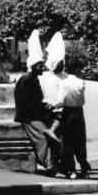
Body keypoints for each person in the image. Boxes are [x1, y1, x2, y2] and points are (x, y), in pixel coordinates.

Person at [14, 29, 60, 176]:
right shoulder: (27, 80)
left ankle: (52, 162)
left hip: (34, 114)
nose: (42, 67)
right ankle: (48, 164)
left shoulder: (33, 79)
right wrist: (41, 108)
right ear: (33, 66)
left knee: (52, 133)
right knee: (44, 137)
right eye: (39, 65)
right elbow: (26, 103)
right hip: (29, 117)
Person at [47, 37, 92, 180]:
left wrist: (53, 106)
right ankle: (84, 167)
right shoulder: (80, 82)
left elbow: (61, 101)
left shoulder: (64, 83)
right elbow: (82, 100)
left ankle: (71, 170)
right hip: (79, 112)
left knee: (67, 143)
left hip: (67, 113)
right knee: (80, 141)